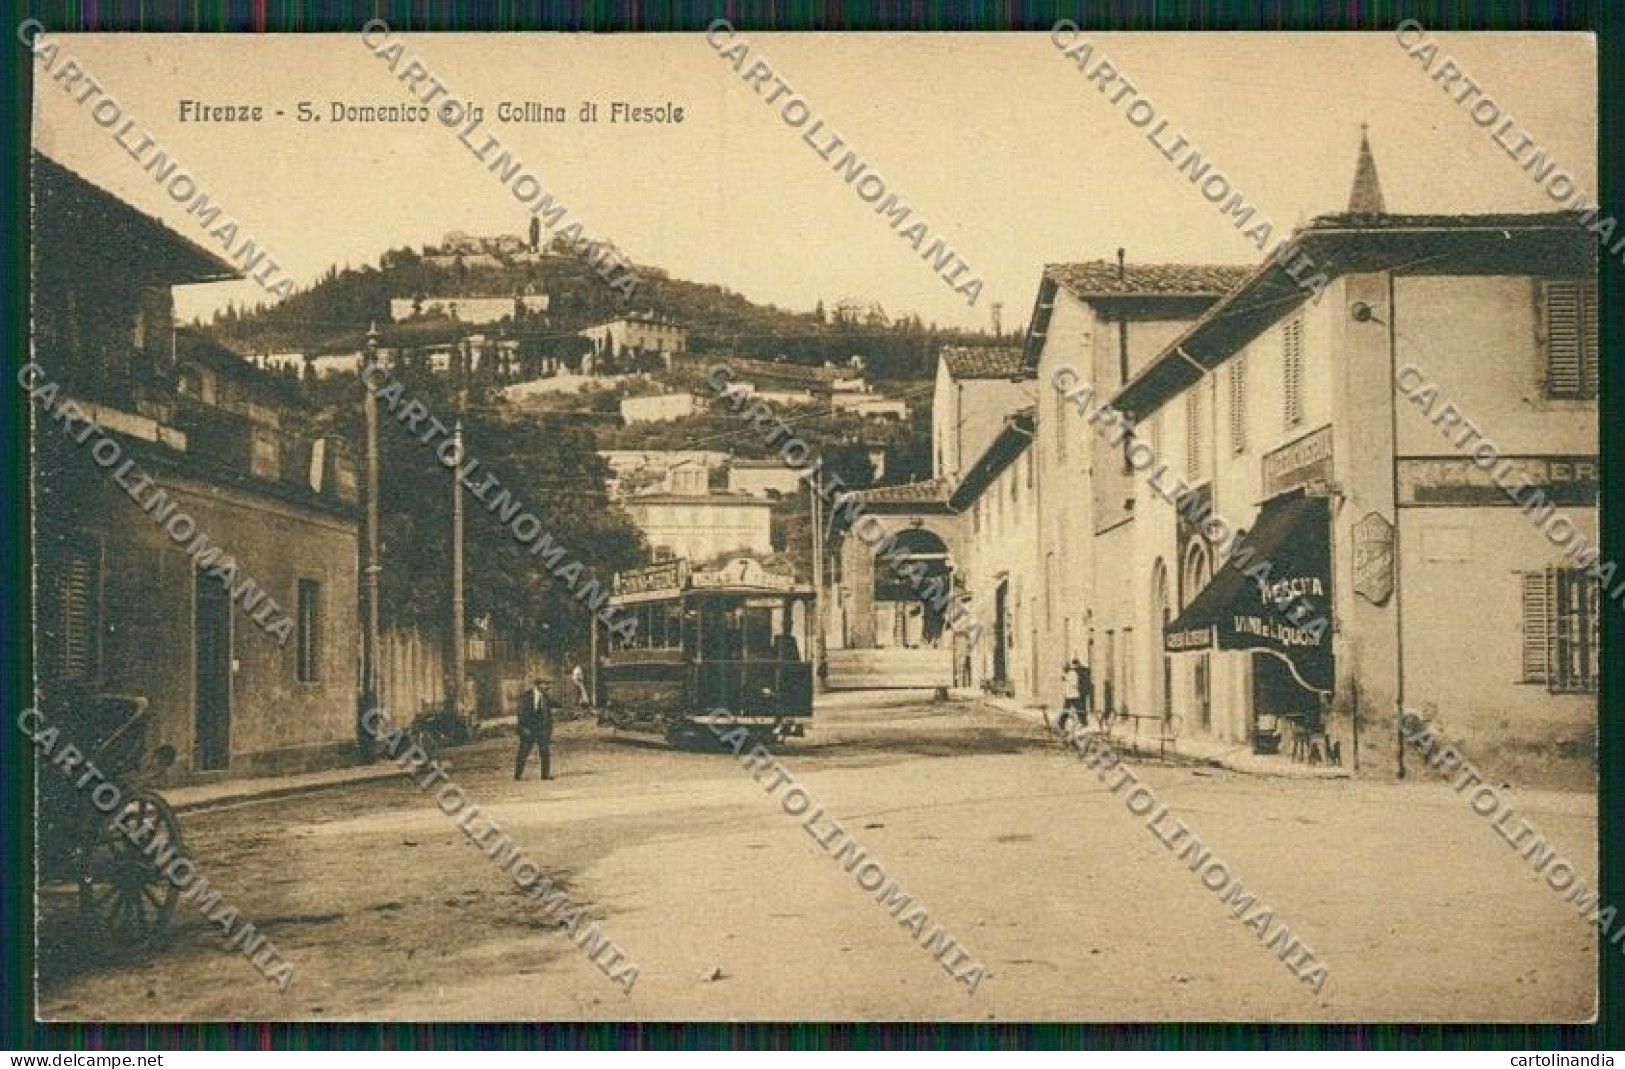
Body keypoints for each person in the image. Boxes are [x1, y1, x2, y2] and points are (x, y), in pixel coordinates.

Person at [515, 678, 557, 780]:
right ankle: (517, 775)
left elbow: (556, 705)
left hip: (542, 730)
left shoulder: (546, 697)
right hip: (528, 729)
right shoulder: (526, 696)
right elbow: (520, 714)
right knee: (523, 752)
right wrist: (523, 727)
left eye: (548, 684)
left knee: (545, 752)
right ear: (538, 685)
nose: (548, 686)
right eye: (545, 684)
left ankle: (545, 775)